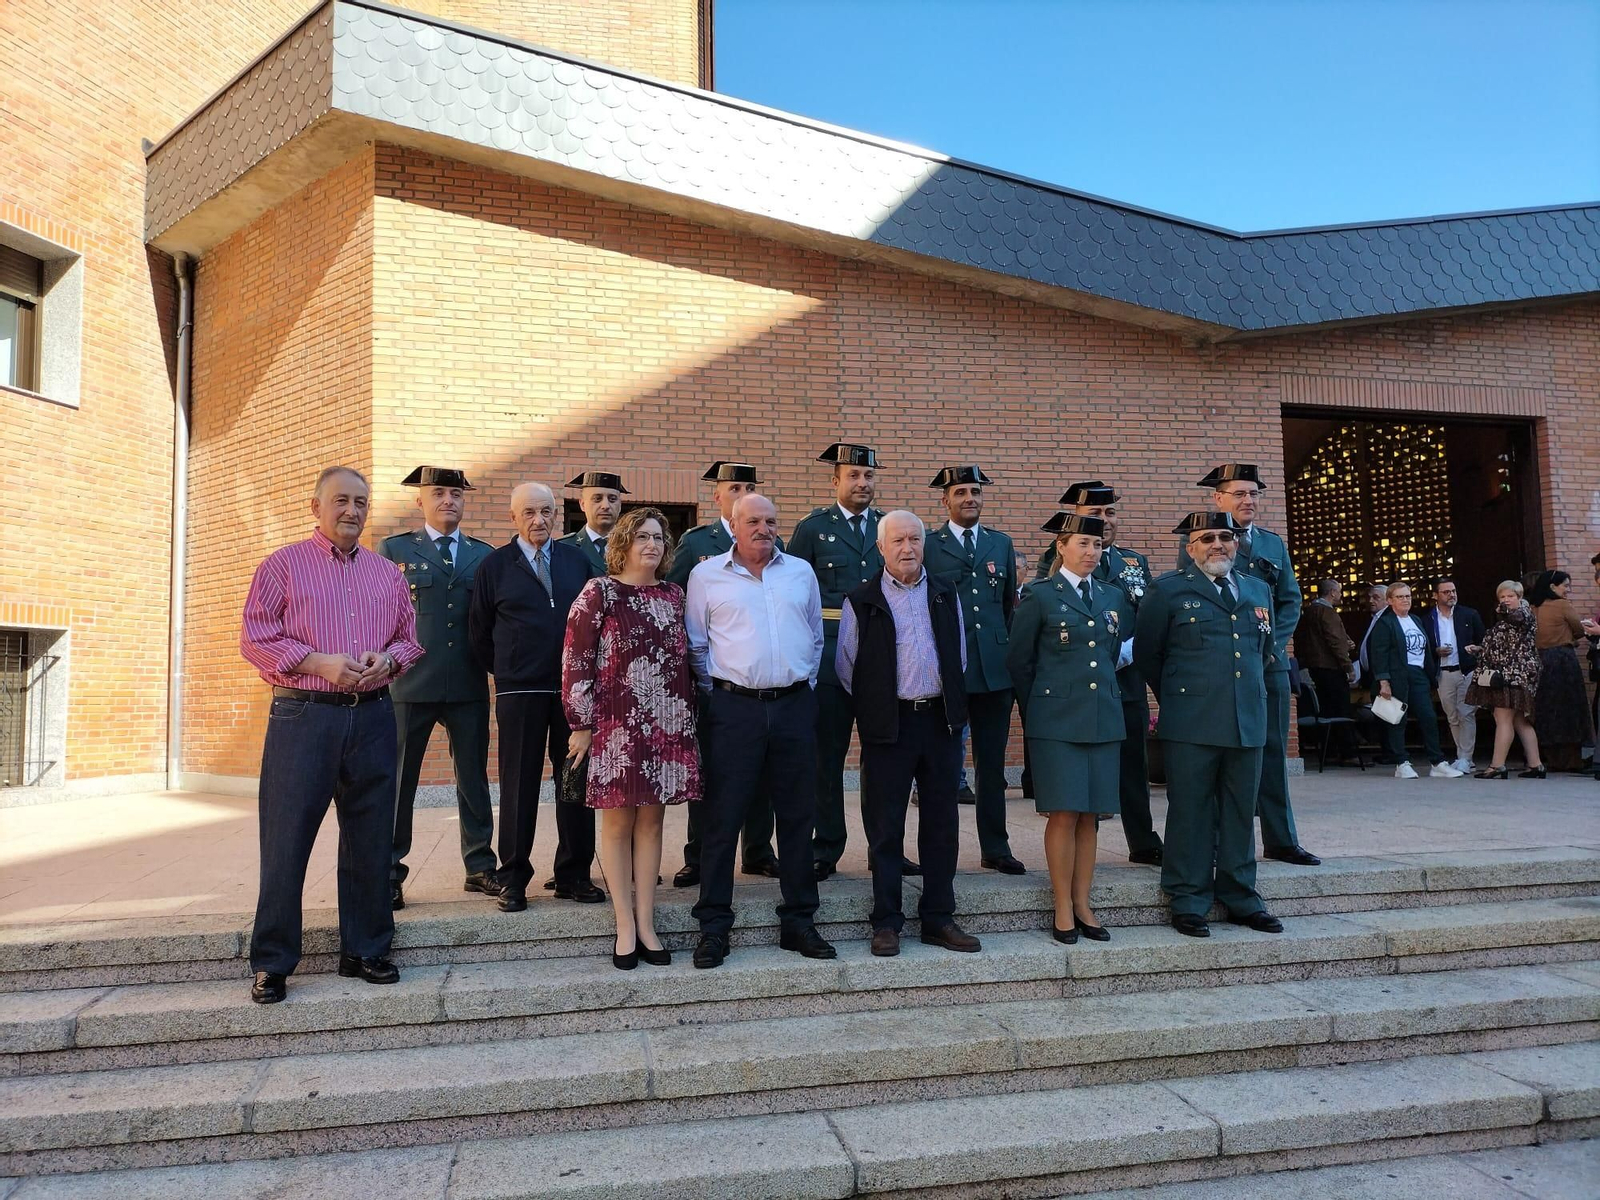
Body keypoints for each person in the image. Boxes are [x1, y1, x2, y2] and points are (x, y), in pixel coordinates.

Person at [240, 466, 424, 1004]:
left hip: (371, 715)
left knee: (370, 838)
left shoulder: (387, 574)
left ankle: (364, 949)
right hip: (304, 717)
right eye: (341, 501)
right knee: (286, 838)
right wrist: (316, 661)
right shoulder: (282, 566)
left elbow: (409, 642)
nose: (352, 511)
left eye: (361, 502)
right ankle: (273, 961)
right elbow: (256, 637)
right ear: (315, 507)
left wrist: (385, 659)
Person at [686, 492, 832, 968]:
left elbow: (815, 636)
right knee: (722, 818)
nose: (763, 529)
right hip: (734, 709)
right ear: (732, 524)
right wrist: (725, 693)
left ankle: (799, 921)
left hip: (793, 705)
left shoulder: (800, 573)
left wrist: (798, 684)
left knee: (796, 816)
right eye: (752, 521)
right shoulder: (706, 576)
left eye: (770, 521)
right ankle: (713, 926)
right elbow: (697, 645)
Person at [837, 510, 982, 957]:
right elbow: (848, 667)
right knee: (886, 828)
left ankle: (938, 917)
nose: (907, 548)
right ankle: (886, 921)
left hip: (939, 723)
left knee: (942, 826)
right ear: (881, 548)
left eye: (914, 540)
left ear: (924, 544)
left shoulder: (944, 592)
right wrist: (880, 705)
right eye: (897, 540)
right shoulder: (861, 600)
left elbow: (956, 655)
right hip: (889, 727)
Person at [562, 507, 699, 970]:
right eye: (642, 536)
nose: (652, 544)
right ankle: (624, 924)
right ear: (623, 542)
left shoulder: (674, 595)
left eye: (659, 537)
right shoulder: (599, 592)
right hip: (615, 725)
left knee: (653, 824)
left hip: (665, 724)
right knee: (619, 825)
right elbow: (576, 660)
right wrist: (580, 725)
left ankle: (647, 923)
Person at [1136, 513, 1281, 938]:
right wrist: (1185, 698)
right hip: (1192, 724)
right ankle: (1187, 898)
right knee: (1190, 811)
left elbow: (1265, 650)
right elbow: (1149, 655)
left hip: (1246, 721)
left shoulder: (1258, 590)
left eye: (1226, 537)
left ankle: (1241, 895)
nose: (1218, 544)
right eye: (1207, 538)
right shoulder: (1167, 591)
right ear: (1191, 546)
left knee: (1240, 811)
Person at [468, 482, 604, 912]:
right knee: (519, 784)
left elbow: (595, 624)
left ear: (557, 515)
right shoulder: (495, 566)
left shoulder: (576, 561)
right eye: (528, 512)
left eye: (546, 511)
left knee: (573, 782)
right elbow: (480, 632)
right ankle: (513, 877)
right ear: (513, 517)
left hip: (572, 693)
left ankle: (573, 873)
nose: (538, 520)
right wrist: (509, 668)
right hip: (520, 690)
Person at [787, 443, 910, 883]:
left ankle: (886, 849)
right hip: (829, 655)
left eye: (868, 476)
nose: (862, 483)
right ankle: (827, 847)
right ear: (834, 481)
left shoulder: (889, 527)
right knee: (828, 757)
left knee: (883, 758)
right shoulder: (812, 529)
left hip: (883, 655)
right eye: (853, 476)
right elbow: (793, 593)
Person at [380, 466, 499, 911]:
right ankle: (389, 871)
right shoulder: (394, 550)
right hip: (410, 684)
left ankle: (480, 866)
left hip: (467, 682)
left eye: (455, 493)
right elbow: (383, 617)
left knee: (473, 781)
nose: (448, 500)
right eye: (439, 493)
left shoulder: (482, 554)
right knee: (399, 782)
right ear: (420, 501)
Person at [1187, 465, 1318, 866]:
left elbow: (1290, 600)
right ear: (1218, 499)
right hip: (1221, 669)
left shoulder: (1272, 544)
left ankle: (1281, 838)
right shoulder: (1202, 539)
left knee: (1274, 752)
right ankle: (1215, 840)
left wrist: (1271, 646)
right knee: (1219, 753)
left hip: (1269, 665)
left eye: (1254, 494)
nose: (1248, 501)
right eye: (1239, 494)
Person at [1009, 512, 1125, 943]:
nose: (1092, 552)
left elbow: (1112, 654)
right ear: (1061, 547)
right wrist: (1037, 712)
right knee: (1063, 812)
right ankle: (1061, 904)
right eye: (1082, 544)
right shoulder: (1040, 596)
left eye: (1097, 545)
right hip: (1055, 720)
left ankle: (1083, 902)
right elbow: (1021, 663)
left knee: (1090, 816)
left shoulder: (1112, 597)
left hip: (1102, 716)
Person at [666, 461, 780, 886]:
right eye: (734, 487)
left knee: (763, 771)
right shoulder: (699, 543)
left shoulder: (774, 544)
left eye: (749, 485)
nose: (741, 491)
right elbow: (680, 604)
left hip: (764, 685)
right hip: (717, 685)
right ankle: (698, 856)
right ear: (717, 497)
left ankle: (757, 850)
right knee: (711, 776)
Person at [921, 466, 1023, 874]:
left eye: (975, 491)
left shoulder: (1000, 544)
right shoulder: (930, 544)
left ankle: (995, 847)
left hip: (994, 669)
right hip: (950, 669)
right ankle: (941, 851)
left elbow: (1006, 608)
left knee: (992, 765)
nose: (970, 498)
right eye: (961, 492)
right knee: (944, 766)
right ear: (945, 500)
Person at [1368, 582, 1465, 779]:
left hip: (1418, 675)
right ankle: (1401, 762)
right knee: (1397, 719)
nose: (1405, 600)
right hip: (1397, 676)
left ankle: (1437, 762)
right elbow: (1379, 654)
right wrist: (1383, 682)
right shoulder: (1385, 623)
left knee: (1428, 717)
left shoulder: (1415, 620)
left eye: (1408, 596)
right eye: (1400, 597)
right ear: (1389, 601)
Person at [1465, 579, 1544, 779]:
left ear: (1520, 597)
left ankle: (1497, 765)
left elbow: (1517, 619)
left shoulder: (1523, 613)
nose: (1506, 600)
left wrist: (1503, 610)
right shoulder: (1506, 620)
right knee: (1519, 720)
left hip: (1514, 675)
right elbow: (1503, 646)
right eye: (1502, 596)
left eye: (1510, 596)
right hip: (1512, 673)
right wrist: (1480, 649)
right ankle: (1536, 765)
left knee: (1502, 718)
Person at [1528, 570, 1595, 773]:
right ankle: (1572, 759)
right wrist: (1571, 637)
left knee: (1547, 707)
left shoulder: (1532, 607)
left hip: (1539, 660)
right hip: (1562, 659)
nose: (1568, 589)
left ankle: (1552, 757)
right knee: (1570, 706)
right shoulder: (1562, 605)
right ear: (1553, 587)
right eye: (1565, 585)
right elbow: (1579, 629)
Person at [1421, 578, 1485, 774]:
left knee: (1466, 713)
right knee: (1452, 715)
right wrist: (1435, 650)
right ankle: (1462, 757)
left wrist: (1477, 649)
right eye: (1446, 592)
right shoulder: (1427, 619)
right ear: (1435, 596)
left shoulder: (1469, 614)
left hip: (1466, 669)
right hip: (1443, 672)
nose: (1452, 595)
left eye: (1453, 591)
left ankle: (1466, 757)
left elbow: (1484, 641)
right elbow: (1424, 648)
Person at [1296, 578, 1358, 726]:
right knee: (1340, 711)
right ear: (1332, 593)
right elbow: (1334, 641)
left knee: (1324, 709)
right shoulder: (1327, 612)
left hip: (1314, 667)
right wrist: (1349, 667)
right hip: (1331, 668)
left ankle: (1328, 746)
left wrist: (1344, 642)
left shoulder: (1309, 611)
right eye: (1339, 592)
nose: (1341, 595)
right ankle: (1345, 746)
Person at [559, 471, 628, 574]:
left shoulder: (631, 546)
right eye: (597, 499)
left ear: (620, 505)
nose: (605, 506)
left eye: (612, 499)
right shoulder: (563, 548)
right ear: (582, 504)